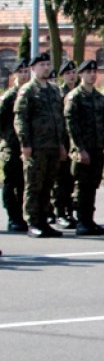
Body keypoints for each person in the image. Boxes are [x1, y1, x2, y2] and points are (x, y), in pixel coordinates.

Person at [14, 53, 67, 238]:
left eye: (48, 64)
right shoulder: (28, 90)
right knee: (34, 186)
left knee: (47, 185)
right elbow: (20, 119)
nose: (46, 68)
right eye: (42, 65)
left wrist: (61, 144)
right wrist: (25, 143)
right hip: (36, 146)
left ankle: (44, 221)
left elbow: (59, 119)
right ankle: (33, 222)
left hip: (52, 146)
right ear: (33, 69)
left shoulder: (53, 91)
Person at [64, 60, 104, 235]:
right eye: (88, 72)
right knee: (82, 186)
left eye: (94, 72)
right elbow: (71, 125)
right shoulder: (74, 97)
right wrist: (79, 149)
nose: (92, 75)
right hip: (83, 149)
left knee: (93, 185)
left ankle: (89, 221)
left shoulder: (99, 98)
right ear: (81, 74)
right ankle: (82, 221)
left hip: (97, 148)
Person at [1, 60, 30, 232]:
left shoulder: (29, 94)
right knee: (11, 183)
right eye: (20, 71)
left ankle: (21, 215)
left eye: (26, 71)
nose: (24, 75)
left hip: (26, 146)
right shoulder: (9, 97)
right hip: (11, 146)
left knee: (23, 184)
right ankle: (13, 217)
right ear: (14, 75)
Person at [52, 59, 79, 228]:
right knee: (61, 180)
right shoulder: (58, 94)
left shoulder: (77, 93)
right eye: (67, 73)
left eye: (73, 72)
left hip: (75, 143)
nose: (71, 76)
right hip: (63, 142)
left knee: (72, 179)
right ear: (62, 76)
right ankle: (60, 212)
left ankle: (70, 212)